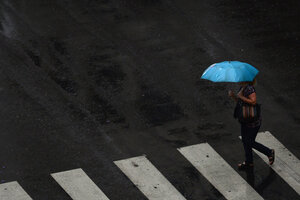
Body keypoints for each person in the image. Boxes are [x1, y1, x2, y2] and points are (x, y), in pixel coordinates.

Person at [228, 77, 275, 169]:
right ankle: (249, 162)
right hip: (245, 120)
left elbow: (253, 102)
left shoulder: (249, 88)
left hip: (253, 122)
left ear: (245, 80)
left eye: (239, 79)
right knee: (245, 142)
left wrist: (240, 96)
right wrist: (233, 96)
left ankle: (269, 152)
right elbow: (241, 103)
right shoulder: (242, 88)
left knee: (249, 142)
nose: (237, 80)